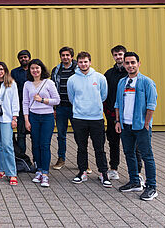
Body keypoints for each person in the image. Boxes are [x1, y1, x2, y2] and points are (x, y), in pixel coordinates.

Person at [115, 52, 158, 201]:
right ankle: (135, 181)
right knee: (129, 153)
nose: (130, 65)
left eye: (133, 62)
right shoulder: (122, 82)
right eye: (127, 63)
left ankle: (151, 187)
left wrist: (146, 124)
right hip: (125, 126)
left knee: (147, 156)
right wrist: (118, 121)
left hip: (141, 127)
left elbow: (151, 105)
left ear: (139, 63)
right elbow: (117, 104)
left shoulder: (147, 82)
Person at [67, 52, 111, 188]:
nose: (83, 64)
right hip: (79, 118)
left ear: (90, 62)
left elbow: (103, 96)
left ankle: (104, 173)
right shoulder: (72, 79)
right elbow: (71, 98)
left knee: (99, 148)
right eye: (80, 62)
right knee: (81, 147)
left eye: (86, 62)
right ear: (77, 63)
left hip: (96, 118)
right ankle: (82, 172)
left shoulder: (100, 78)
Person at [104, 45, 143, 181]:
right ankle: (113, 168)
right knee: (113, 143)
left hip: (131, 118)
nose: (118, 57)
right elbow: (105, 95)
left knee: (134, 146)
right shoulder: (108, 74)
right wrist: (109, 114)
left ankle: (137, 173)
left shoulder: (132, 74)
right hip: (113, 117)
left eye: (121, 54)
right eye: (115, 55)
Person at [23, 59, 60, 187]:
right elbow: (25, 103)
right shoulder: (27, 84)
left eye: (37, 68)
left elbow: (57, 100)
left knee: (45, 145)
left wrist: (43, 100)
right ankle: (38, 171)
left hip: (47, 117)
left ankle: (45, 174)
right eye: (32, 68)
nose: (35, 70)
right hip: (33, 116)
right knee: (35, 145)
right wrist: (26, 120)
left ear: (41, 69)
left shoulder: (48, 83)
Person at [51, 46, 77, 170]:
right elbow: (52, 90)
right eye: (63, 55)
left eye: (67, 55)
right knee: (61, 134)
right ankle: (61, 158)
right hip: (61, 107)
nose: (65, 57)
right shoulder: (56, 70)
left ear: (72, 56)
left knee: (79, 135)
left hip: (75, 108)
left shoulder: (78, 70)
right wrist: (54, 108)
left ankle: (83, 161)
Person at [10, 50, 31, 156]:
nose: (23, 59)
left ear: (29, 58)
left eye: (25, 57)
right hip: (20, 107)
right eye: (21, 57)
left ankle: (36, 160)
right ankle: (22, 157)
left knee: (35, 135)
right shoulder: (14, 72)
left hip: (33, 107)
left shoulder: (34, 70)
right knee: (21, 135)